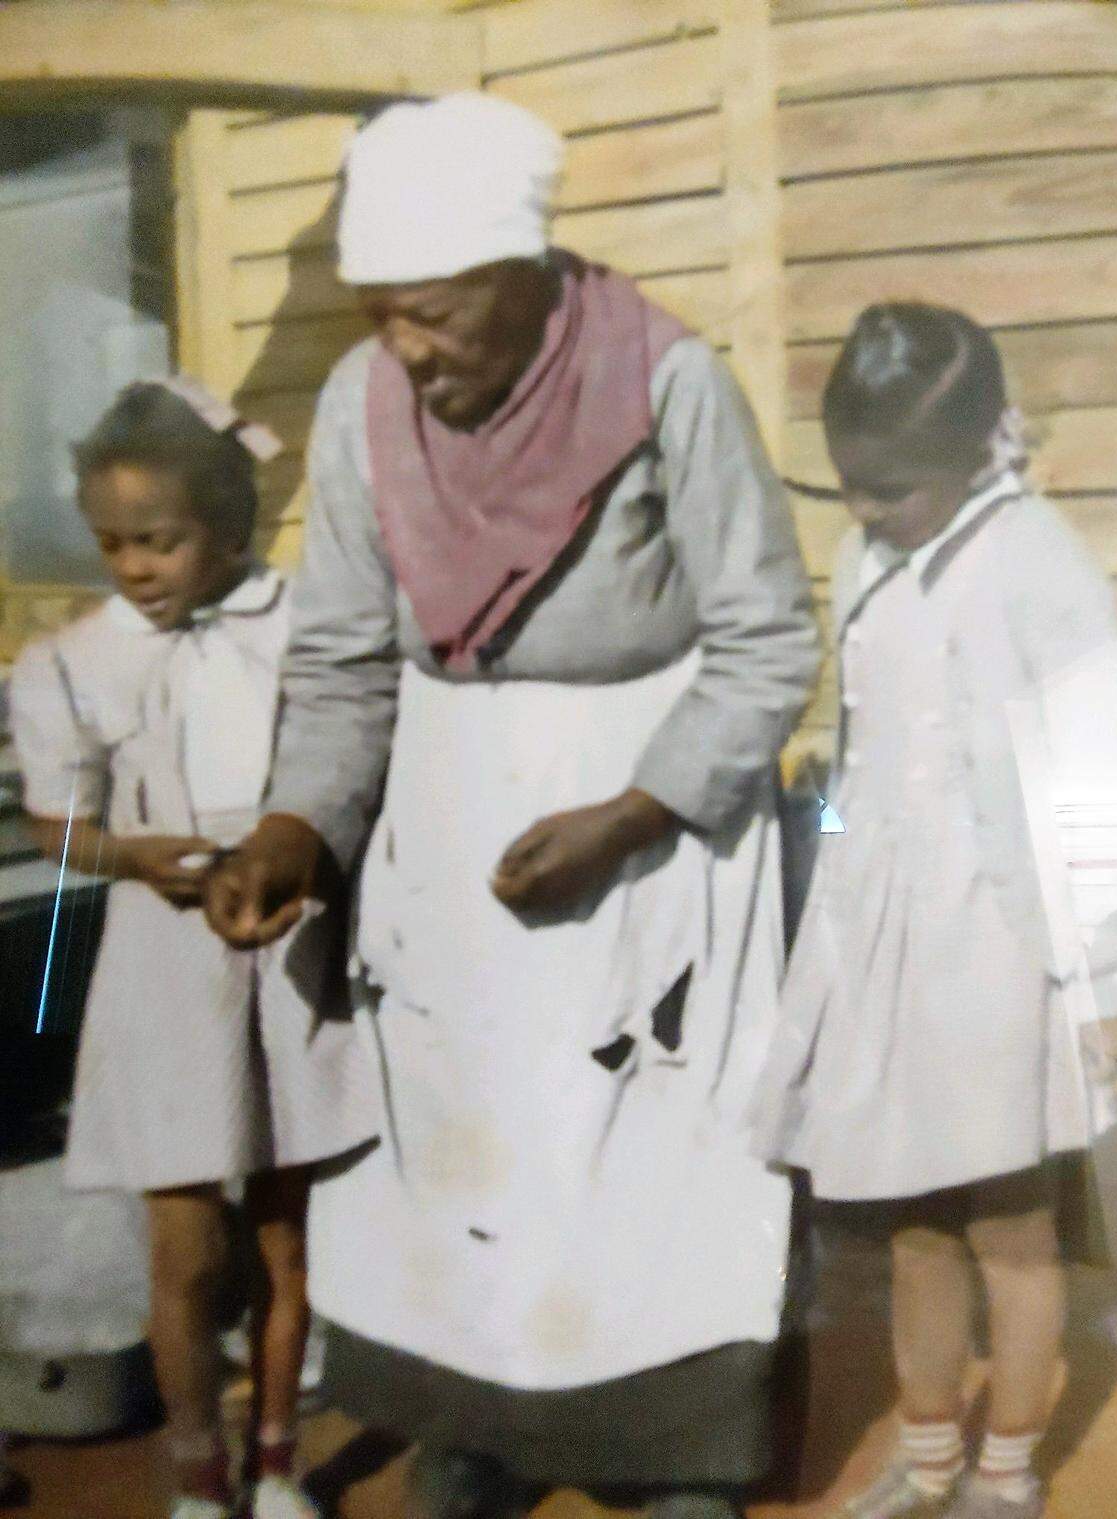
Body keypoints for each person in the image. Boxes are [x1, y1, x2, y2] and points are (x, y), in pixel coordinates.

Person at [204, 92, 819, 1519]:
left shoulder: (667, 384)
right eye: (381, 315)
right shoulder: (367, 410)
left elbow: (769, 637)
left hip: (646, 817)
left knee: (650, 1150)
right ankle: (476, 1426)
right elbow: (345, 657)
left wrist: (639, 809)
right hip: (450, 814)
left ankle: (677, 1455)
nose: (407, 352)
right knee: (466, 1144)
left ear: (521, 279)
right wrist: (299, 826)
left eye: (431, 314)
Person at [750, 303, 1117, 1519]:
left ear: (978, 453)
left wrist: (1115, 984)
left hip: (1000, 943)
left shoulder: (1037, 564)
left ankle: (1006, 1473)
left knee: (1009, 1230)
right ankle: (924, 1463)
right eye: (853, 489)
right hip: (884, 931)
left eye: (893, 490)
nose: (866, 515)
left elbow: (1103, 788)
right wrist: (826, 866)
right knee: (909, 1226)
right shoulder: (872, 560)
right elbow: (854, 758)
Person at [9, 381, 378, 1519]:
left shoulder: (299, 620)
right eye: (113, 543)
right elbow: (53, 821)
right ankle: (196, 1477)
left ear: (227, 528)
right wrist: (121, 854)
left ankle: (275, 1463)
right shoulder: (70, 659)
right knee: (183, 1247)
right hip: (164, 961)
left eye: (160, 541)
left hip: (286, 945)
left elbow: (345, 752)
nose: (133, 566)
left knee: (283, 1239)